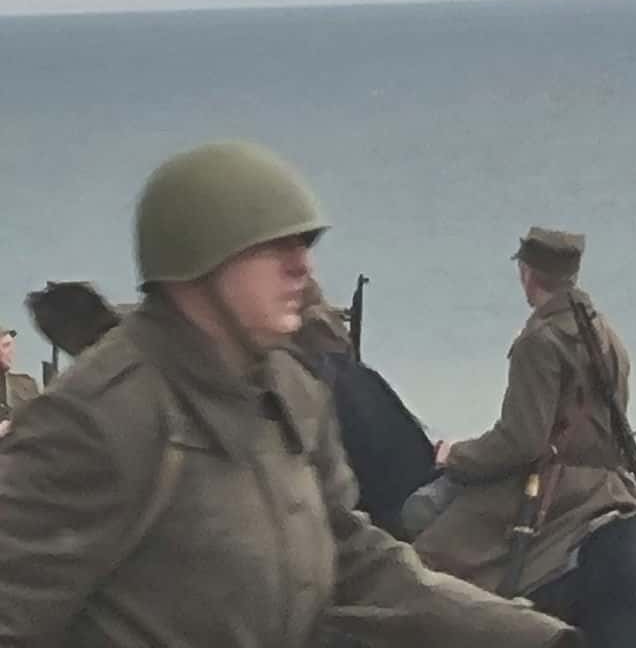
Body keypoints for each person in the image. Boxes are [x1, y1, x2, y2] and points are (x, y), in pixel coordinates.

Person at [0, 142, 582, 648]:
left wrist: (531, 638)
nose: (302, 266)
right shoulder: (97, 419)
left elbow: (352, 562)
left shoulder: (288, 392)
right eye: (274, 248)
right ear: (198, 262)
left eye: (304, 244)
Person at [411, 226, 636, 620]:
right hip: (613, 485)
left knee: (429, 559)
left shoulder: (539, 340)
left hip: (557, 491)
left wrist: (456, 456)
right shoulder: (606, 333)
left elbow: (522, 442)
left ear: (527, 273)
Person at [0, 324, 40, 436]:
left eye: (11, 346)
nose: (12, 351)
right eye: (6, 346)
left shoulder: (27, 385)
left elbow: (40, 423)